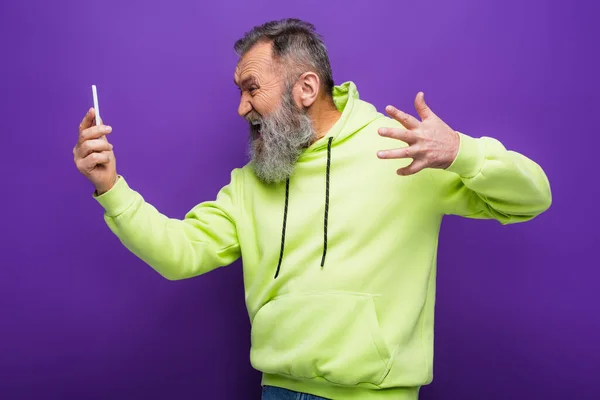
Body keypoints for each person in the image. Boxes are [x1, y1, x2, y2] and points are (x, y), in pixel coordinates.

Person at [73, 18, 551, 400]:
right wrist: (110, 186)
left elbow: (533, 197)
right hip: (277, 390)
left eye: (251, 88)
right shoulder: (250, 183)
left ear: (305, 88)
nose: (241, 108)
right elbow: (180, 253)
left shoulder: (405, 150)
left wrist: (461, 152)